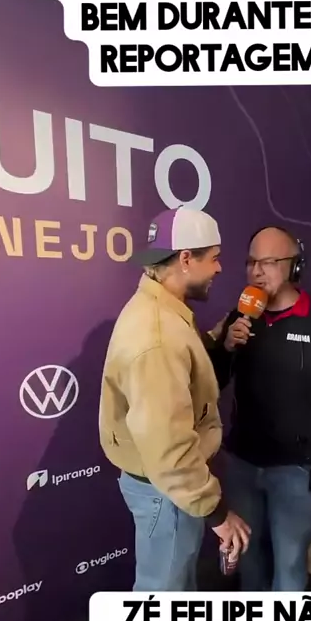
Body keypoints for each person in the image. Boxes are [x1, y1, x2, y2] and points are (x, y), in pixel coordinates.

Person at [207, 226, 311, 592]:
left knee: (290, 565)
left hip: (296, 469)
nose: (256, 271)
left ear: (295, 267)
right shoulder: (239, 317)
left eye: (268, 262)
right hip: (243, 463)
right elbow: (212, 383)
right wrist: (225, 348)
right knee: (250, 559)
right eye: (251, 262)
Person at [99, 206, 250, 591]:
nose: (219, 268)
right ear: (185, 259)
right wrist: (217, 513)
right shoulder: (158, 336)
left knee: (173, 589)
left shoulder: (161, 311)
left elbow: (179, 381)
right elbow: (169, 449)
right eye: (214, 258)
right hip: (168, 492)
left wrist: (214, 343)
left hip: (165, 489)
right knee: (163, 597)